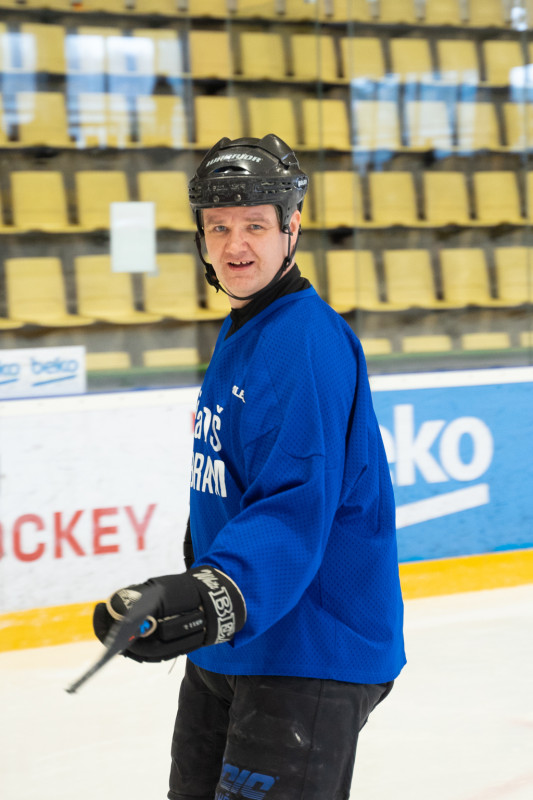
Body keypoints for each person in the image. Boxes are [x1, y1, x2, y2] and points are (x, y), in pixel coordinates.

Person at [93, 134, 406, 800]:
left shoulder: (304, 341)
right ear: (201, 239)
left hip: (308, 648)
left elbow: (294, 502)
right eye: (219, 227)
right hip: (234, 643)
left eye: (255, 226)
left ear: (292, 228)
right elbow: (231, 480)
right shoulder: (247, 327)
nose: (236, 245)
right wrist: (193, 584)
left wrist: (209, 596)